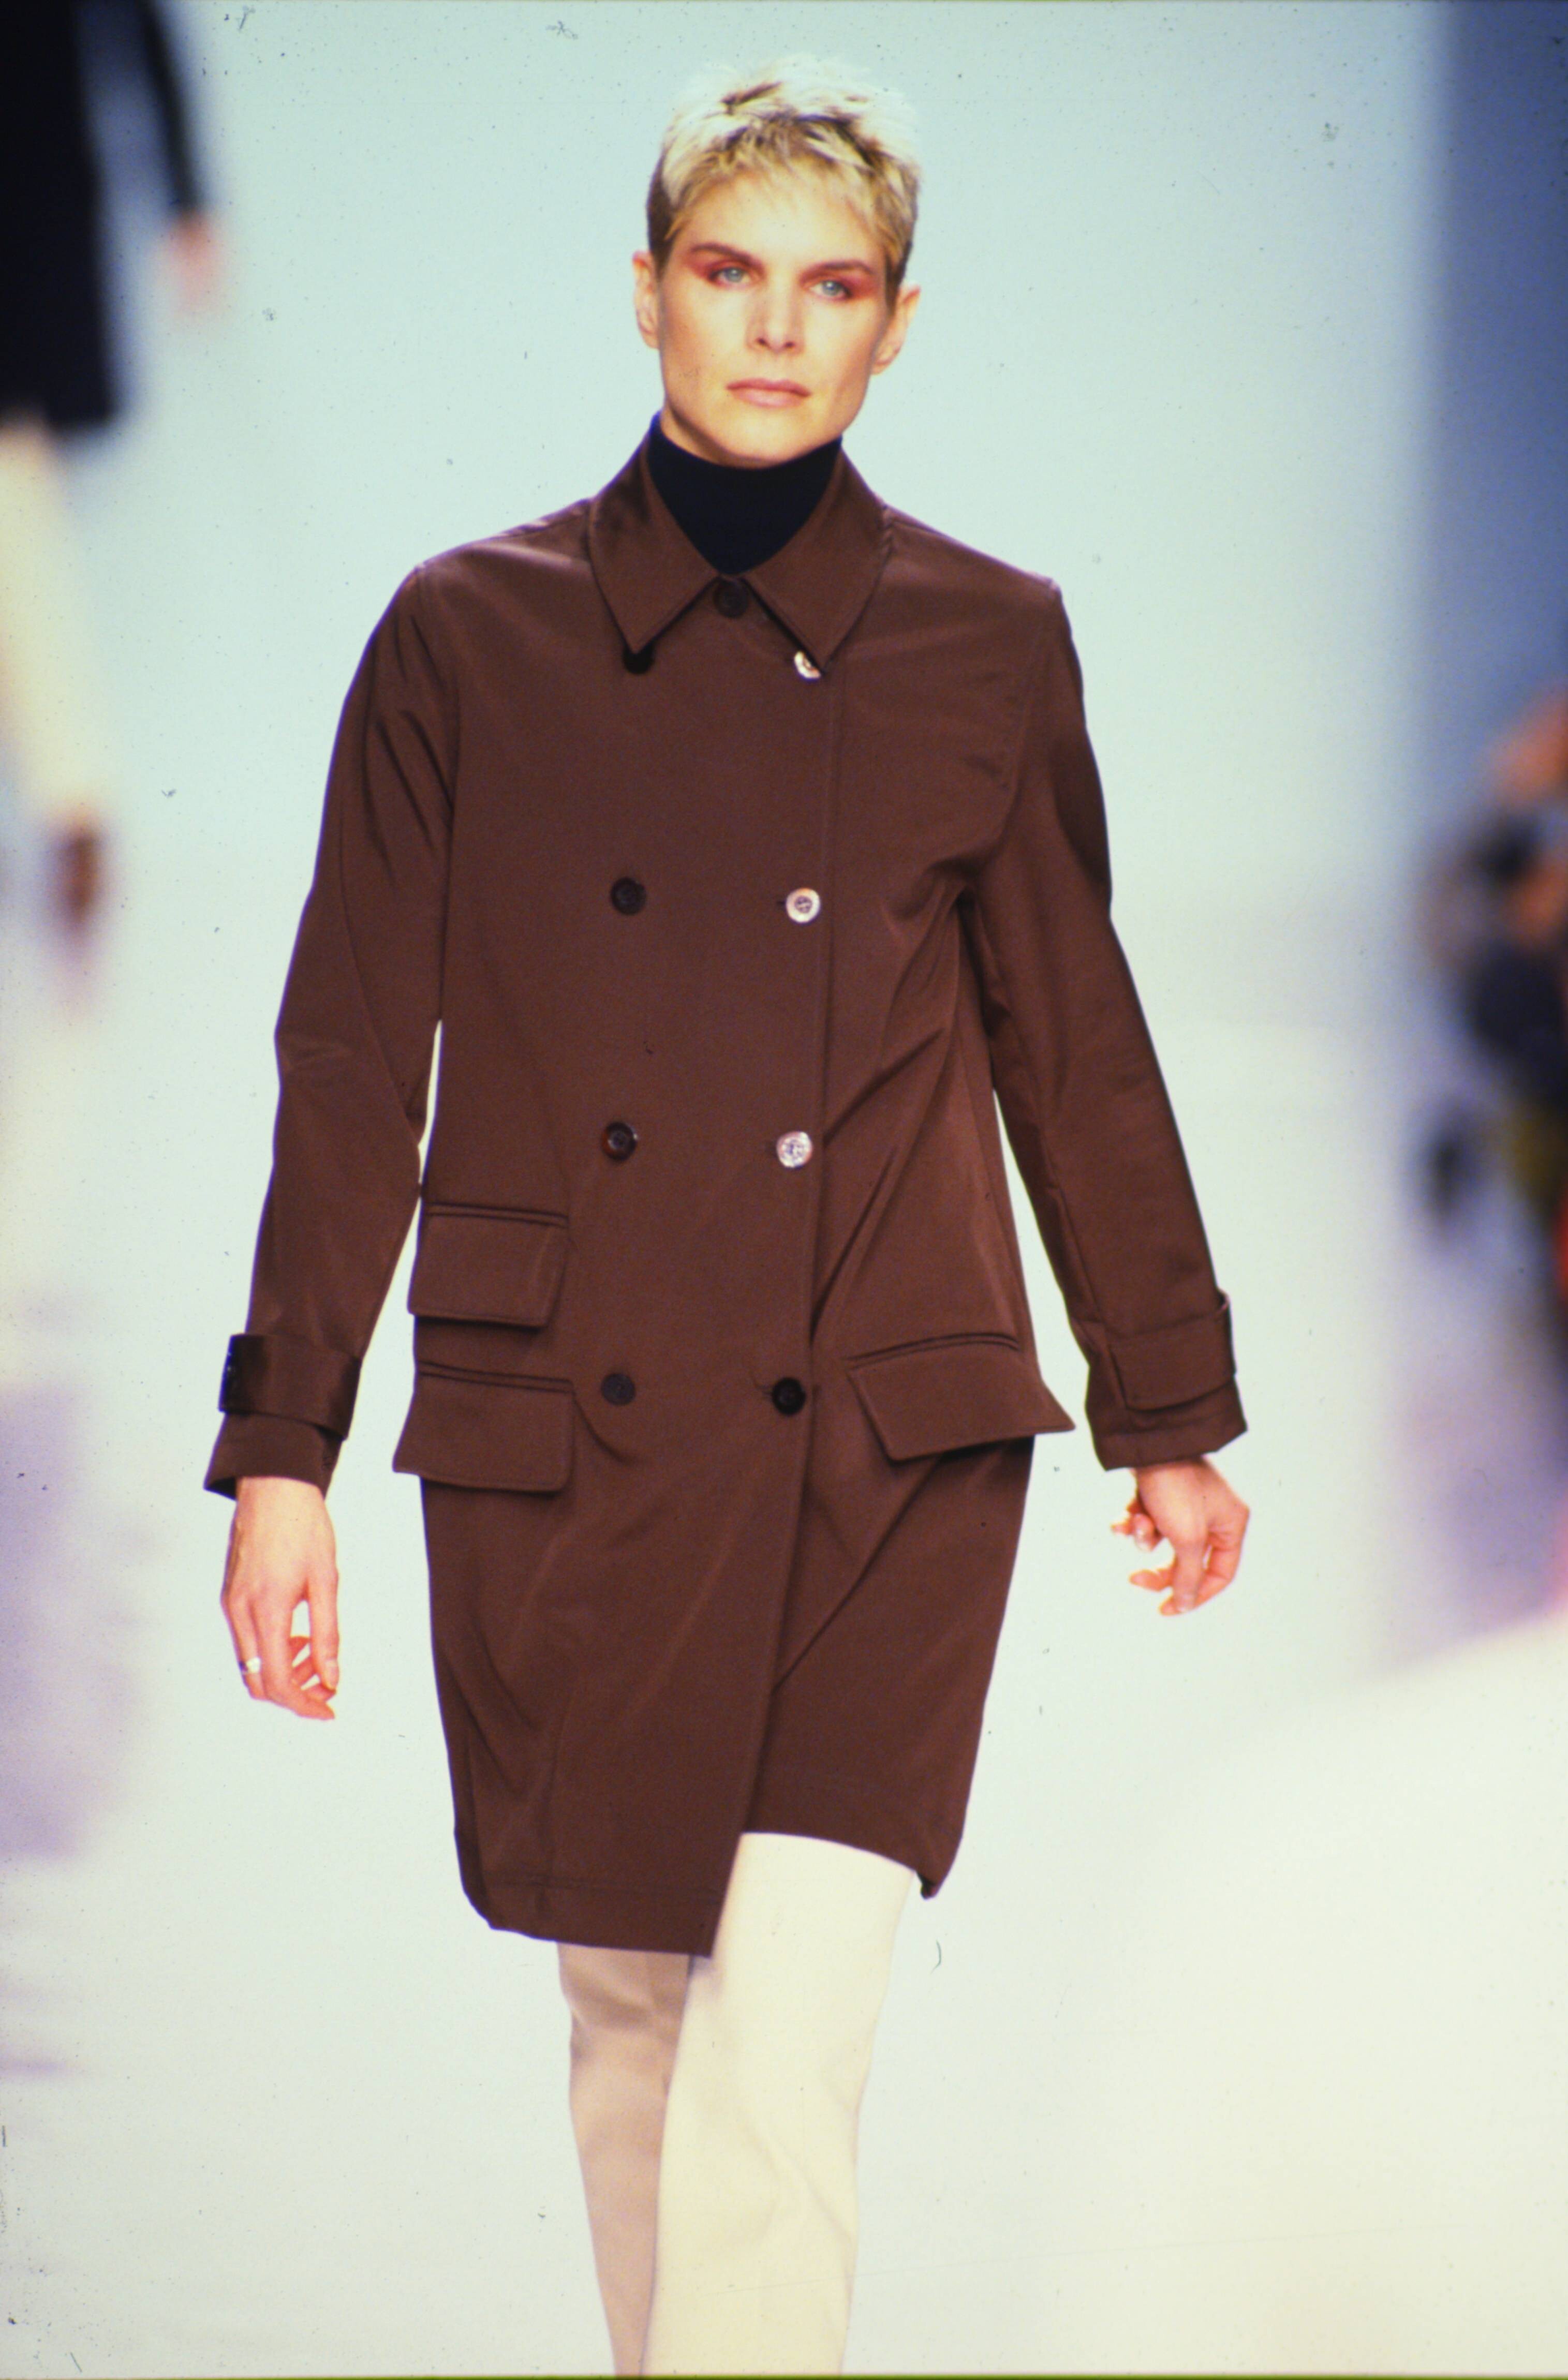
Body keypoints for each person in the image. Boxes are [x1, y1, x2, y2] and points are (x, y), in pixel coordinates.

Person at [208, 57, 1250, 2377]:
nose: (777, 328)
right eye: (728, 271)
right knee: (639, 2031)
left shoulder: (987, 640)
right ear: (647, 293)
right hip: (573, 1441)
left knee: (785, 2040)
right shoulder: (464, 638)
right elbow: (352, 1057)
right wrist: (283, 1452)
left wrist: (1168, 1404)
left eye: (833, 286)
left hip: (883, 1430)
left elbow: (1073, 1037)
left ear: (897, 325)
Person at [0, 0, 219, 927]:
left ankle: (75, 808)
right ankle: (74, 807)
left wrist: (188, 200)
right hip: (37, 232)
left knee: (18, 518)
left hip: (27, 238)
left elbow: (139, 34)